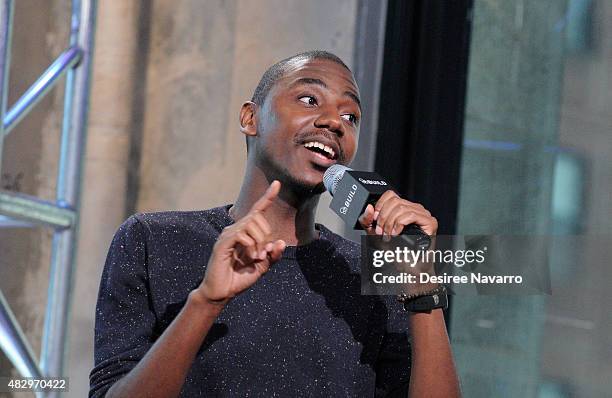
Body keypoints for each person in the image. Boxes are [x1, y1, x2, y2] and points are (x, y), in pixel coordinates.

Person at [89, 50, 461, 397]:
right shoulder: (154, 240)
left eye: (351, 117)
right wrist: (205, 302)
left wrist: (420, 284)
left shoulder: (372, 273)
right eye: (309, 99)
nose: (334, 122)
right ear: (251, 118)